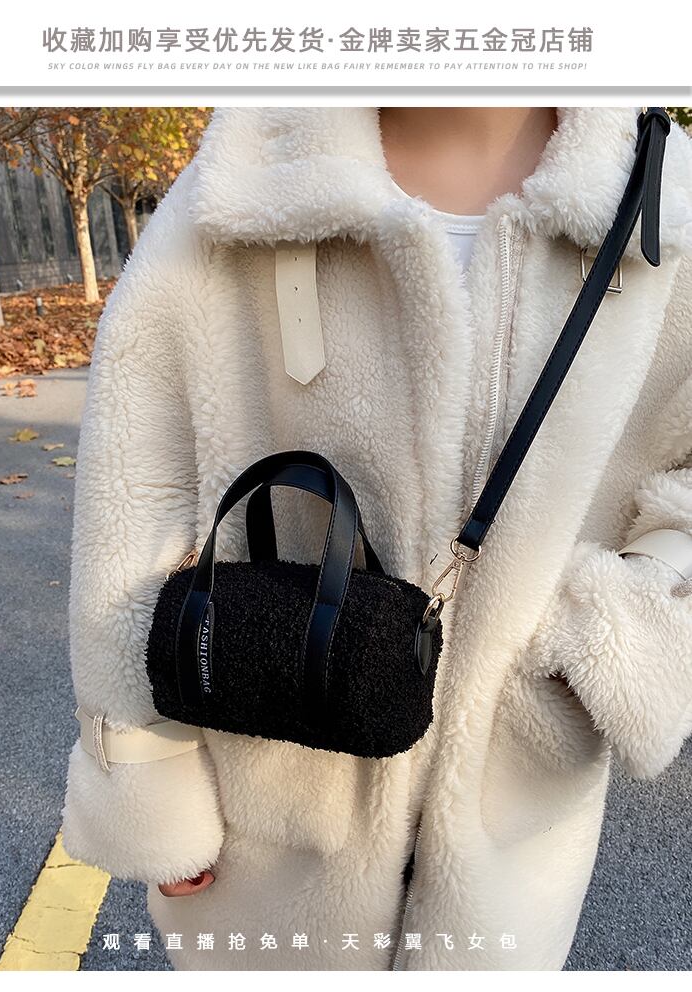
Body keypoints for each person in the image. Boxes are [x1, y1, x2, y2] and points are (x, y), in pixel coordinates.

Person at [61, 106, 692, 970]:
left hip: (519, 831)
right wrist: (145, 769)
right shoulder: (249, 172)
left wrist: (630, 618)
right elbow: (134, 493)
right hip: (262, 826)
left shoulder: (660, 196)